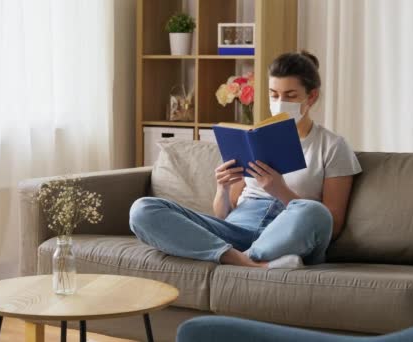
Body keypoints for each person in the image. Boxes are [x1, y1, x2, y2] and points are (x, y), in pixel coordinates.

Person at [129, 51, 362, 268]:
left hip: (289, 232)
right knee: (143, 209)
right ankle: (249, 262)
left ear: (311, 97)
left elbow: (333, 224)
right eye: (274, 95)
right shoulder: (253, 139)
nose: (280, 102)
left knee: (314, 212)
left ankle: (242, 259)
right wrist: (222, 187)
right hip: (236, 229)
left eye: (290, 96)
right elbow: (223, 215)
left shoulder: (332, 146)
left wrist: (279, 190)